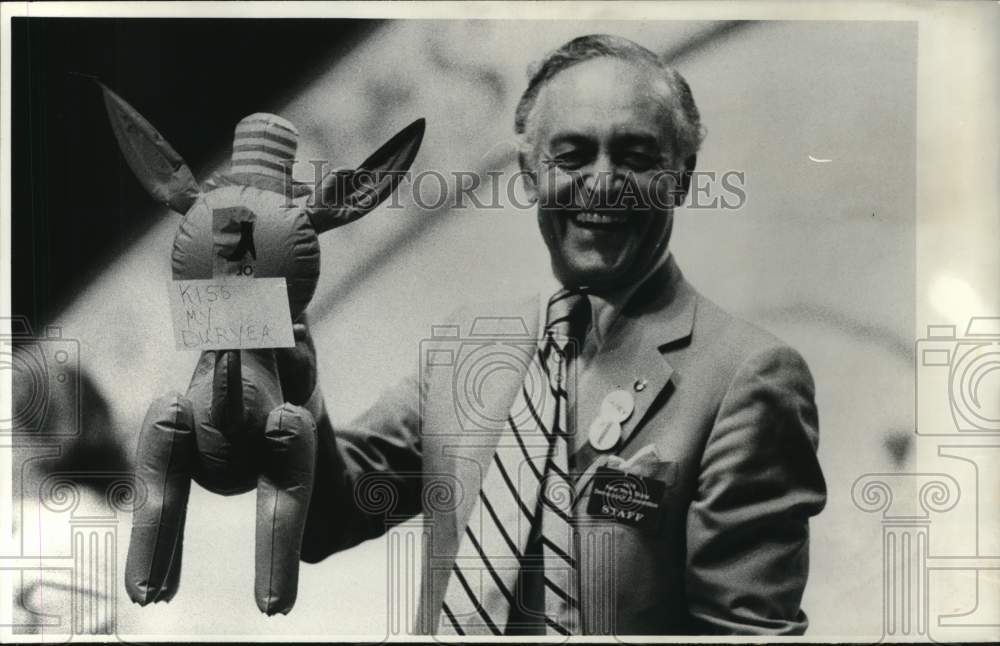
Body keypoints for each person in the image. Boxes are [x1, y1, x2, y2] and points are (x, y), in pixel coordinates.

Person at [282, 33, 827, 635]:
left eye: (637, 157)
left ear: (682, 175)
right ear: (528, 172)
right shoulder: (468, 349)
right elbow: (324, 519)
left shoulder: (746, 376)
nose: (601, 183)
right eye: (571, 156)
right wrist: (288, 377)